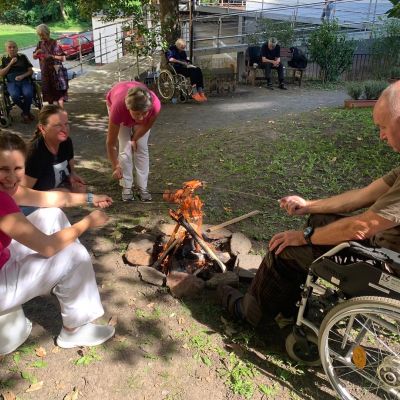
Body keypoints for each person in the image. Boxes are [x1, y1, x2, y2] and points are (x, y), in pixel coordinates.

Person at [220, 81, 400, 327]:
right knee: (317, 221)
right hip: (384, 249)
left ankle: (250, 313)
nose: (381, 135)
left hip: (387, 267)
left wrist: (303, 238)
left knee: (283, 247)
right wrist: (308, 205)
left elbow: (361, 227)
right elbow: (360, 196)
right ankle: (284, 301)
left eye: (383, 127)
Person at [0, 131, 115, 355]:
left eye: (17, 169)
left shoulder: (8, 189)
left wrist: (90, 198)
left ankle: (66, 283)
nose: (11, 177)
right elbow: (48, 247)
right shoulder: (2, 199)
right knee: (75, 254)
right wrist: (87, 222)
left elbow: (51, 199)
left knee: (51, 214)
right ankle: (74, 329)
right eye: (3, 169)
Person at [106, 81, 161, 202]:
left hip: (137, 107)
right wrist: (116, 166)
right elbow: (110, 143)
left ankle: (143, 187)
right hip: (118, 103)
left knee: (141, 146)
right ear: (128, 108)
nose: (141, 118)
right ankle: (126, 186)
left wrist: (134, 139)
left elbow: (146, 126)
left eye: (144, 113)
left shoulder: (155, 105)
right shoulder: (118, 109)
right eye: (137, 114)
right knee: (125, 146)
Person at [22, 104, 86, 193]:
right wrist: (55, 194)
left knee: (80, 189)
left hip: (59, 187)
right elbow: (24, 192)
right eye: (58, 125)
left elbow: (70, 164)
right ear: (42, 128)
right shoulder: (34, 153)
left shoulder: (66, 142)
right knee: (65, 193)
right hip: (37, 198)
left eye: (66, 124)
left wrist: (72, 174)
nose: (65, 129)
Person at [33, 24, 68, 108]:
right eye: (39, 35)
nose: (41, 37)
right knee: (48, 95)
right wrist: (36, 53)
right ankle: (52, 114)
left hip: (56, 72)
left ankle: (61, 113)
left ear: (47, 33)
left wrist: (51, 56)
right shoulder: (40, 44)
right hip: (45, 72)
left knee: (58, 95)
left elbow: (63, 58)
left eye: (42, 35)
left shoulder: (55, 43)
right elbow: (34, 57)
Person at [0, 41, 35, 123]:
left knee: (28, 93)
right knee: (14, 95)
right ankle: (26, 112)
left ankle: (25, 114)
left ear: (17, 48)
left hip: (24, 79)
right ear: (6, 49)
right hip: (11, 82)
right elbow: (1, 73)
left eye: (14, 47)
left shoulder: (23, 56)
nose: (12, 49)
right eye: (10, 47)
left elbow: (30, 71)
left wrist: (22, 76)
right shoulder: (3, 58)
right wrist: (10, 63)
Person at [166, 38, 207, 102]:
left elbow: (185, 59)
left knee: (198, 69)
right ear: (178, 45)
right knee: (192, 71)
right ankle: (194, 92)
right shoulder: (171, 50)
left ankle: (200, 91)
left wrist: (187, 62)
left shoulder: (182, 51)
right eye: (182, 48)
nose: (183, 49)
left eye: (184, 48)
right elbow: (170, 59)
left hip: (184, 67)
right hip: (176, 68)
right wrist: (181, 62)